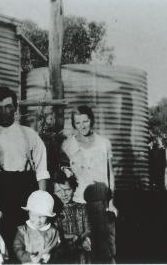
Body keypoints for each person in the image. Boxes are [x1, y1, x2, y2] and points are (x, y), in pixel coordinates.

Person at [0, 86, 50, 254]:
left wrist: (41, 204)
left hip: (26, 197)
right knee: (0, 248)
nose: (4, 112)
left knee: (28, 247)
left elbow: (42, 170)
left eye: (8, 106)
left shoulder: (30, 135)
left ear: (16, 107)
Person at [61, 105, 117, 263]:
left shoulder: (103, 143)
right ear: (73, 124)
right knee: (84, 248)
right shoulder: (67, 146)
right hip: (80, 202)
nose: (82, 126)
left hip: (101, 202)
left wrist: (111, 202)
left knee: (106, 246)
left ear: (91, 120)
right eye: (77, 123)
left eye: (85, 121)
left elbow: (110, 173)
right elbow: (65, 176)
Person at [53, 171, 91, 264]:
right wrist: (71, 237)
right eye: (58, 191)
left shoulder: (82, 208)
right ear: (53, 192)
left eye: (67, 189)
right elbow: (54, 233)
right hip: (62, 252)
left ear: (73, 188)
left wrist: (83, 238)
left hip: (81, 251)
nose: (64, 194)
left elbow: (89, 228)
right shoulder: (54, 212)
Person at [13, 190, 61, 264]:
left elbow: (60, 249)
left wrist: (52, 256)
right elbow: (17, 248)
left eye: (42, 217)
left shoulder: (53, 231)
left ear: (48, 216)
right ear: (28, 213)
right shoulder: (23, 230)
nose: (37, 220)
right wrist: (28, 257)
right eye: (33, 216)